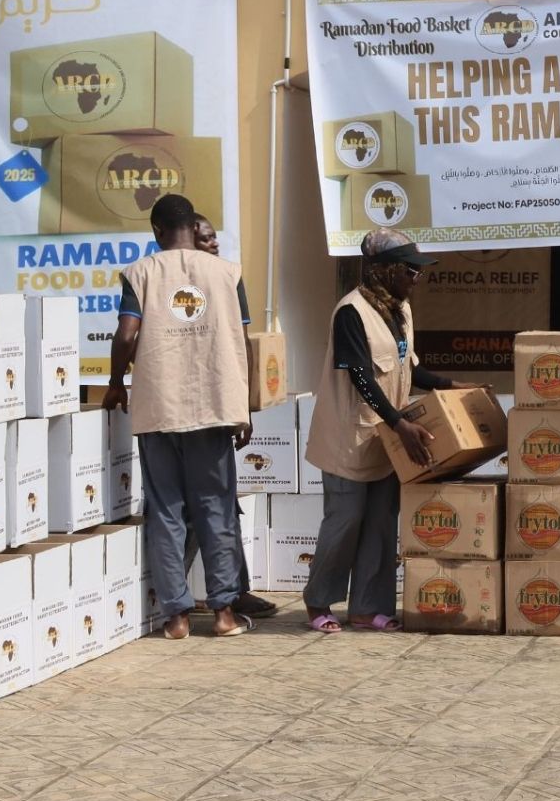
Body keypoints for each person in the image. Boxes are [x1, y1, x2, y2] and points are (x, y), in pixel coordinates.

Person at [301, 230, 477, 633]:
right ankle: (318, 602)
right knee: (345, 520)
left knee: (381, 521)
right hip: (350, 438)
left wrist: (450, 386)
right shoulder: (351, 312)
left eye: (418, 271)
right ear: (384, 270)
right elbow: (362, 377)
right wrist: (401, 425)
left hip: (390, 437)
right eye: (410, 271)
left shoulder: (400, 311)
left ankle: (367, 607)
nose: (417, 278)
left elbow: (408, 367)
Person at [104, 194, 256, 639]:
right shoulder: (228, 273)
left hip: (159, 408)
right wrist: (243, 405)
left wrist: (116, 382)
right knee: (216, 510)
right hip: (215, 405)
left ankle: (176, 618)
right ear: (194, 227)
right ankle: (225, 614)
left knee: (167, 512)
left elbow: (127, 333)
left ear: (156, 232)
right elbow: (243, 342)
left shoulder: (140, 273)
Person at [179, 212, 278, 622]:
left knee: (223, 505)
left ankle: (235, 592)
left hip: (218, 408)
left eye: (215, 239)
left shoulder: (227, 281)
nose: (214, 245)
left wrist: (242, 408)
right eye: (205, 240)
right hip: (178, 412)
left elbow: (240, 348)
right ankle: (176, 600)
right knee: (184, 511)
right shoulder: (167, 285)